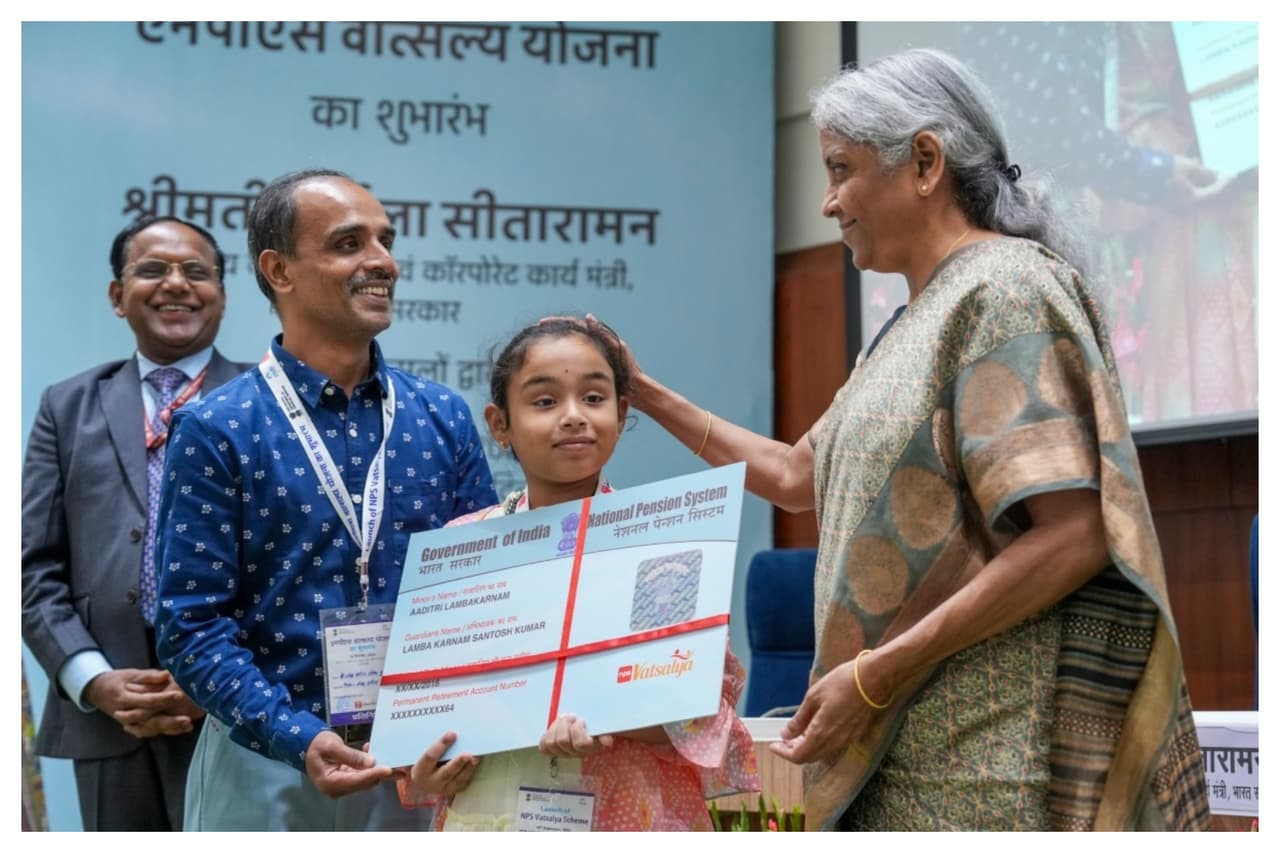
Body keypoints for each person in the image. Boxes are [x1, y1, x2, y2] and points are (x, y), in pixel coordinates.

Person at [592, 49, 1210, 830]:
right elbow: (793, 473)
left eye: (840, 170)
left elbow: (1077, 533)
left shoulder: (1005, 289)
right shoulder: (909, 321)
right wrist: (645, 393)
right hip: (901, 754)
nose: (827, 203)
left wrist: (877, 673)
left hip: (981, 769)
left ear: (924, 162)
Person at [152, 168, 497, 830]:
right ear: (278, 270)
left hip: (419, 764)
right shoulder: (218, 427)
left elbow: (483, 593)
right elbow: (190, 625)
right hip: (265, 763)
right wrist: (295, 735)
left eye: (386, 240)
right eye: (348, 243)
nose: (383, 261)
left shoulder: (442, 416)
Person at [401, 318, 759, 831]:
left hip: (630, 818)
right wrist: (429, 765)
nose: (574, 417)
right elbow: (426, 715)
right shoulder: (461, 548)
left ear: (622, 412)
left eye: (593, 398)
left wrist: (608, 716)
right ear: (499, 424)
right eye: (545, 401)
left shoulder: (663, 546)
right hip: (487, 814)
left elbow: (701, 710)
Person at [22, 216, 249, 830]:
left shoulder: (265, 402)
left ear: (222, 294)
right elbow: (31, 567)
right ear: (118, 296)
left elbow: (292, 565)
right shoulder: (67, 406)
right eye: (152, 270)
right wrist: (91, 678)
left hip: (241, 712)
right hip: (107, 715)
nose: (176, 284)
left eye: (196, 272)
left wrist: (219, 679)